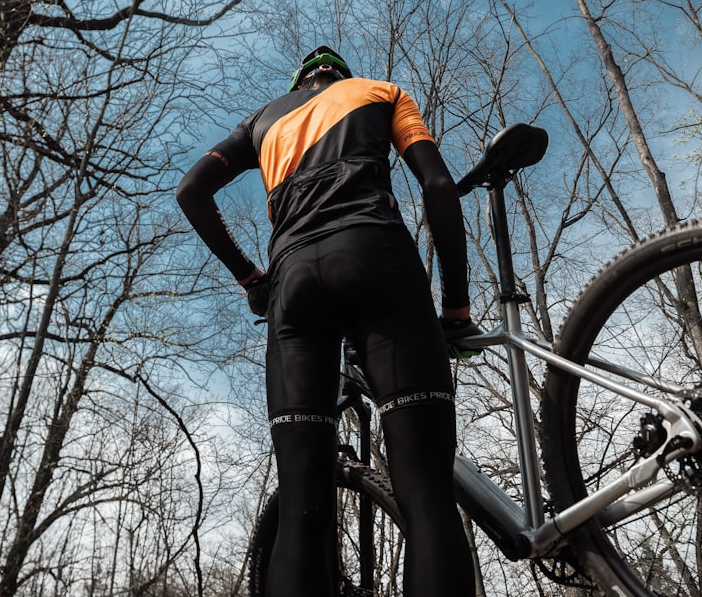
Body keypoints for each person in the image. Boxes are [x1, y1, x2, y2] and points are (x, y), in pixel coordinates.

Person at [176, 46, 478, 596]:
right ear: (341, 76)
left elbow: (190, 190)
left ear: (300, 82)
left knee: (300, 503)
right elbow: (438, 186)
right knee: (425, 491)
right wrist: (455, 309)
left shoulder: (262, 120)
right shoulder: (381, 91)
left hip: (292, 285)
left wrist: (251, 279)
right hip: (377, 258)